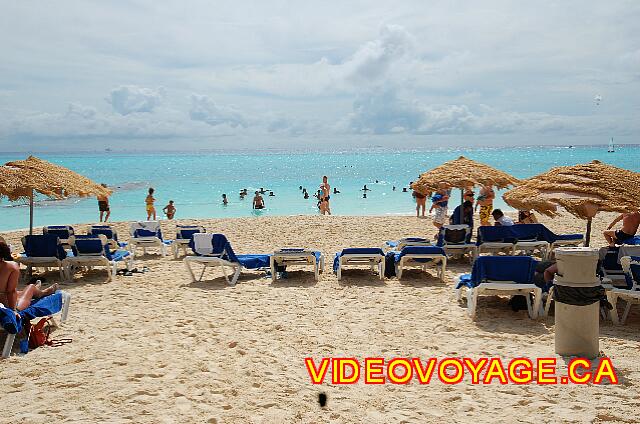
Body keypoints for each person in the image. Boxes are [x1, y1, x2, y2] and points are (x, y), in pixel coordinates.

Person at [0, 242, 59, 317]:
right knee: (30, 287)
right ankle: (42, 293)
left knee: (19, 292)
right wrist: (13, 311)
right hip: (6, 307)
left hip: (3, 300)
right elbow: (10, 291)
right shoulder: (12, 266)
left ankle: (36, 290)